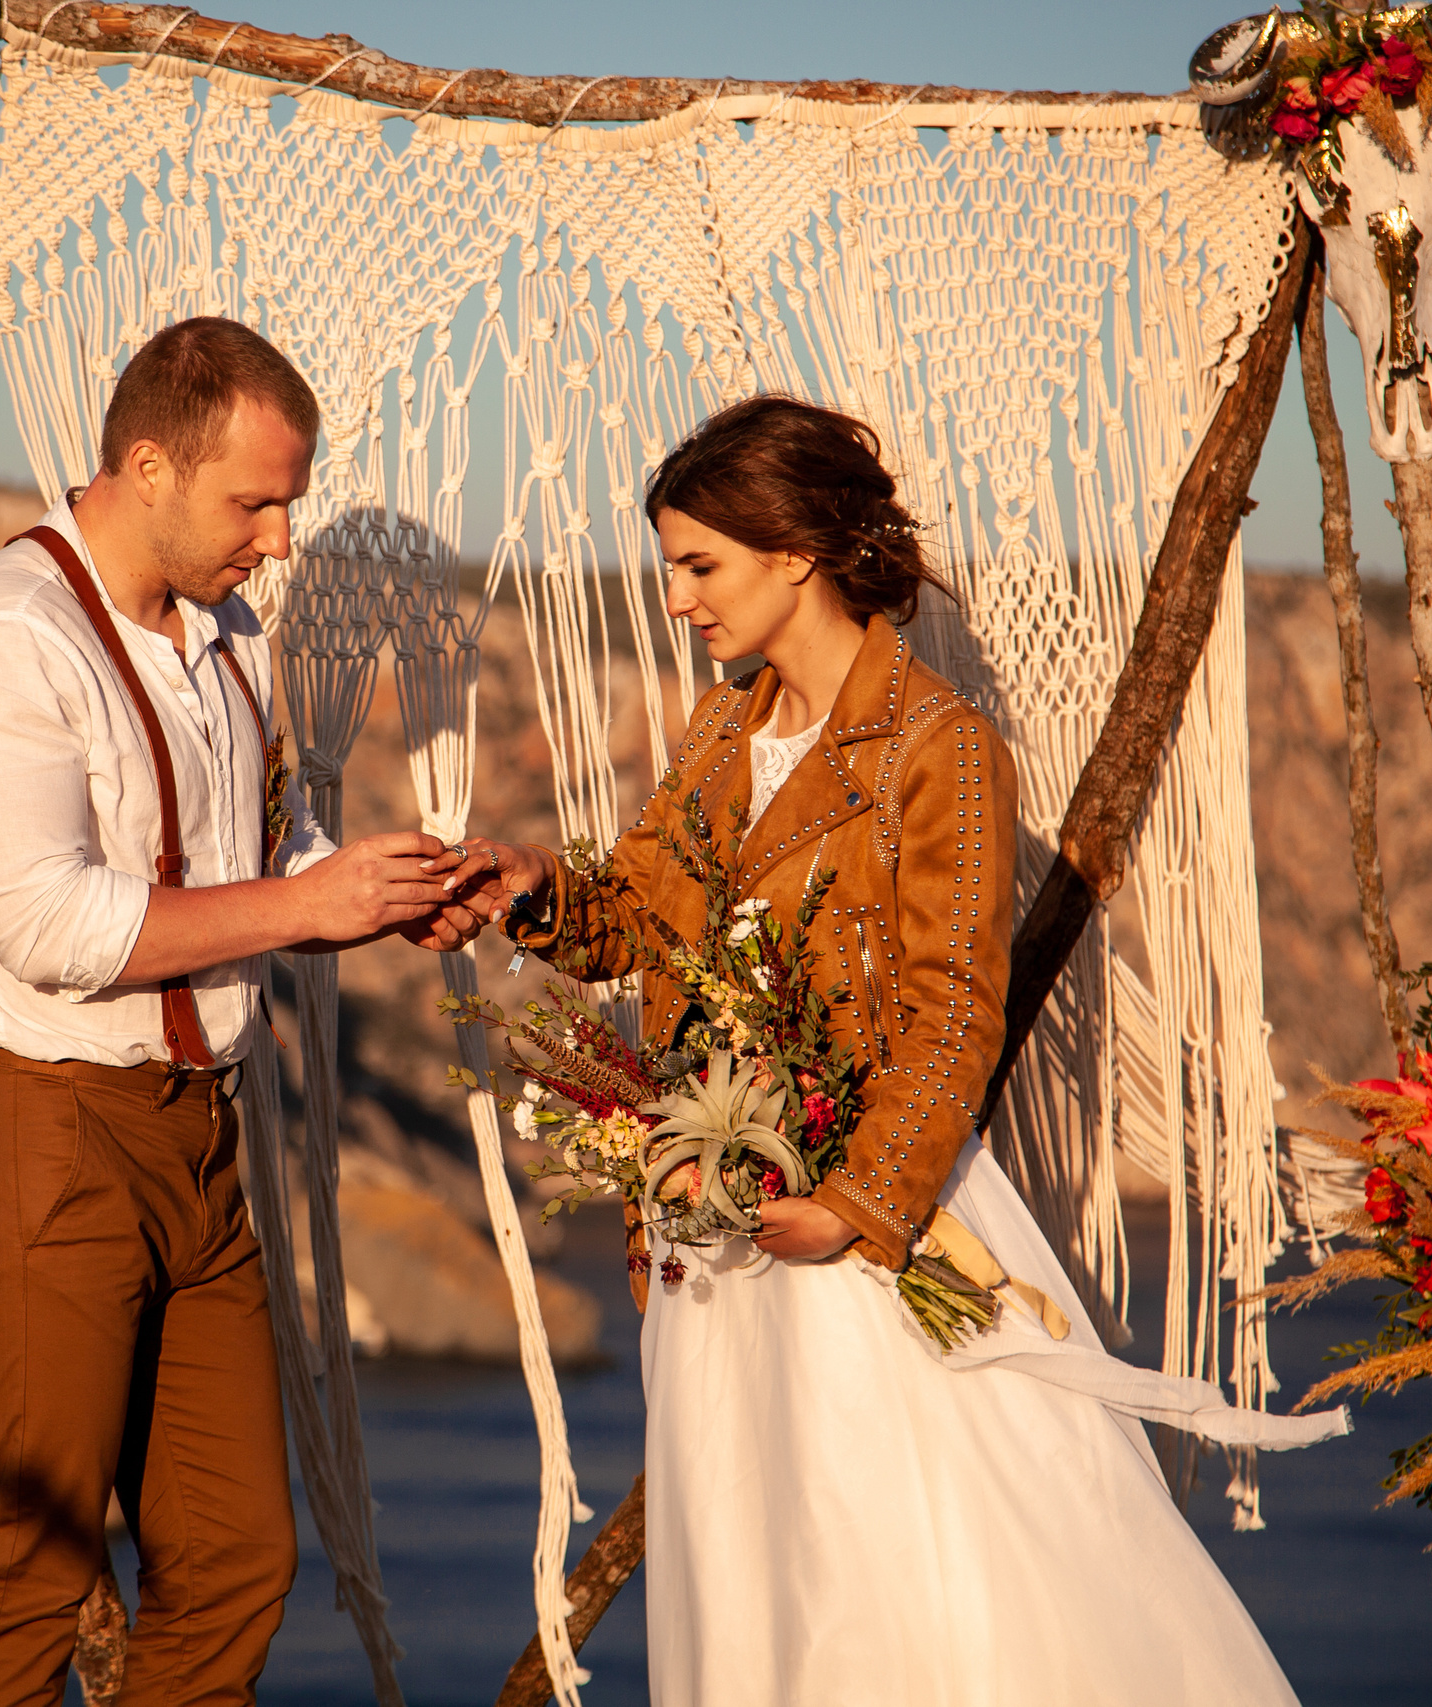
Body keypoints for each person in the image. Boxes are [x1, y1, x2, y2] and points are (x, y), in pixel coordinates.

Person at [456, 395, 1330, 1706]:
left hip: (868, 1231)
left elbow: (955, 1007)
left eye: (700, 566)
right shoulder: (722, 733)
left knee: (896, 1582)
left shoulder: (941, 747)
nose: (678, 600)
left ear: (795, 550)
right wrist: (530, 890)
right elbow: (639, 915)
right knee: (752, 1586)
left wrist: (857, 1208)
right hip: (718, 1239)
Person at [0, 316, 484, 1706]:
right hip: (42, 1136)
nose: (279, 542)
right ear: (148, 466)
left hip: (200, 1141)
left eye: (290, 504)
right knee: (23, 1577)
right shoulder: (3, 640)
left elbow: (245, 859)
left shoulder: (226, 634)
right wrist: (303, 908)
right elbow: (50, 927)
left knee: (233, 1558)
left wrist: (372, 892)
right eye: (254, 504)